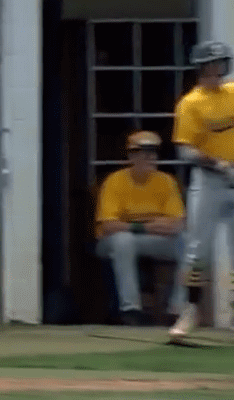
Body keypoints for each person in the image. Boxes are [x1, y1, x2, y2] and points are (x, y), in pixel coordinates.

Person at [169, 40, 234, 339]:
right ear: (200, 69)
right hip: (209, 182)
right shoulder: (190, 103)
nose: (215, 71)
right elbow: (186, 149)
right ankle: (190, 310)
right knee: (198, 249)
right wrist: (219, 164)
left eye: (219, 65)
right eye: (210, 66)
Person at [94, 130, 185, 326]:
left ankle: (177, 310)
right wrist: (148, 226)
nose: (151, 158)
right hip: (114, 241)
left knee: (187, 243)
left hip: (152, 239)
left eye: (154, 153)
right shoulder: (115, 181)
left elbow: (176, 224)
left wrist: (133, 226)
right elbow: (109, 225)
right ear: (132, 157)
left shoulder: (166, 181)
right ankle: (130, 309)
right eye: (145, 153)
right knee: (123, 240)